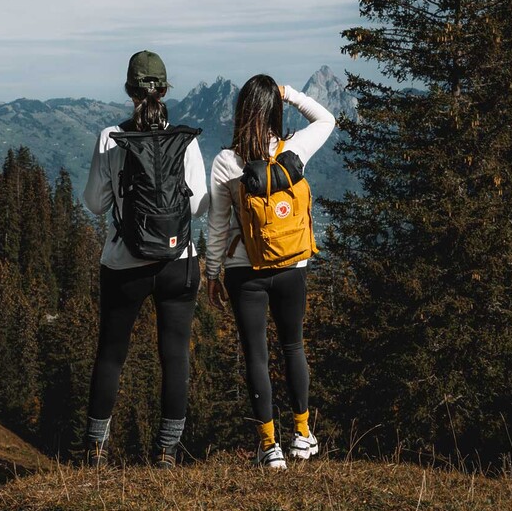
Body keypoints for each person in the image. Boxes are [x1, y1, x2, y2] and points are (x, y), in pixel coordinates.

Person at [82, 50, 209, 468]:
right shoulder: (184, 138)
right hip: (180, 261)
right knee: (174, 355)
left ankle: (96, 451)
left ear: (128, 90)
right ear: (165, 89)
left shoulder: (110, 137)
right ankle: (166, 453)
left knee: (112, 354)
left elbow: (95, 204)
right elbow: (198, 206)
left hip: (124, 262)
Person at [205, 74, 335, 469]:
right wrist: (288, 93)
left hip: (246, 272)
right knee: (293, 345)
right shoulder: (292, 151)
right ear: (274, 111)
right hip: (293, 265)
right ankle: (302, 434)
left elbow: (217, 225)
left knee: (256, 357)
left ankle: (269, 445)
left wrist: (212, 274)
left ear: (241, 113)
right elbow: (327, 120)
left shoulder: (227, 162)